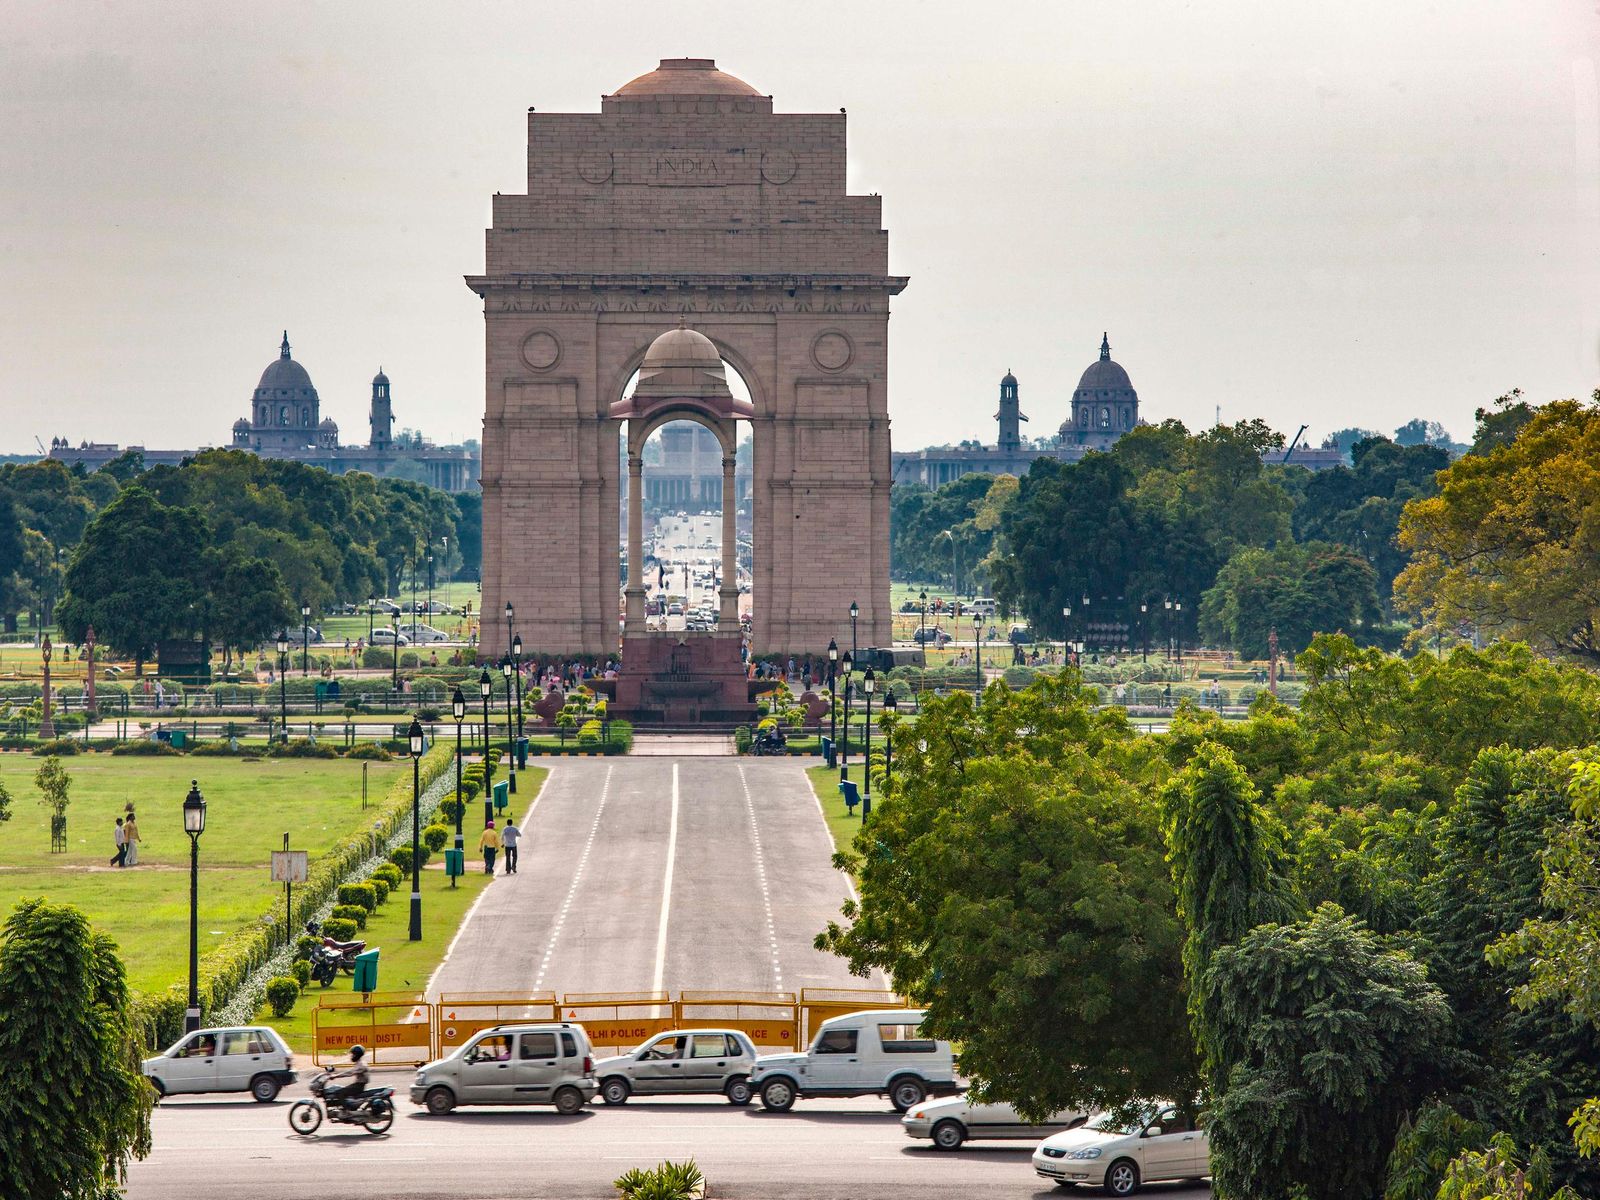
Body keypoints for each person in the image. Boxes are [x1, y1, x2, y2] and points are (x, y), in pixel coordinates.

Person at [325, 1044, 370, 1111]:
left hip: (358, 1087)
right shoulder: (359, 1063)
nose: (352, 1056)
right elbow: (349, 1071)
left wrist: (336, 1076)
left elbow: (349, 1073)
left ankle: (347, 1110)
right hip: (357, 1085)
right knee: (338, 1089)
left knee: (339, 1093)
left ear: (357, 1055)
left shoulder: (361, 1065)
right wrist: (334, 1073)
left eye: (353, 1054)